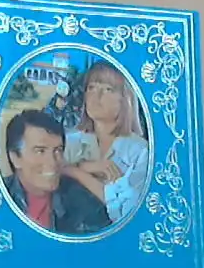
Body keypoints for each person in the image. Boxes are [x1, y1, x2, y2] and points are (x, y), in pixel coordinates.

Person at [61, 61, 150, 223]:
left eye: (108, 89)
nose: (96, 96)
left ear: (125, 99)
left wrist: (77, 173)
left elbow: (126, 211)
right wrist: (85, 167)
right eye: (91, 88)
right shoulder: (69, 142)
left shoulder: (140, 151)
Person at [3, 109, 111, 235]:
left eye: (58, 150)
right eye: (40, 151)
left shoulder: (81, 200)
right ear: (15, 158)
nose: (53, 162)